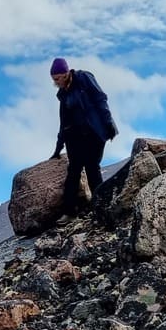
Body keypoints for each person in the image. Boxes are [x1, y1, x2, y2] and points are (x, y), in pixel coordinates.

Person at [50, 58, 118, 219]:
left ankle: (101, 205)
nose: (55, 82)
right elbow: (63, 122)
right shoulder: (62, 95)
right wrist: (58, 148)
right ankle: (69, 211)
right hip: (74, 138)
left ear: (66, 73)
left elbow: (100, 98)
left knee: (92, 167)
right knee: (73, 171)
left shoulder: (84, 78)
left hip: (93, 132)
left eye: (57, 78)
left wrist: (108, 123)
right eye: (53, 79)